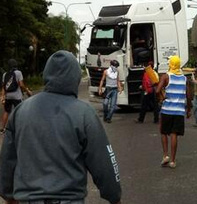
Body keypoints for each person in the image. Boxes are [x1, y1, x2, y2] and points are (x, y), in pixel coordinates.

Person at [0, 50, 122, 204]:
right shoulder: (84, 113)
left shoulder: (20, 111)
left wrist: (7, 194)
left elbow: (7, 159)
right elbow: (103, 161)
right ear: (75, 78)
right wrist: (114, 195)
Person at [155, 55, 192, 168]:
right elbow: (189, 96)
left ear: (170, 64)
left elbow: (157, 90)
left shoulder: (166, 77)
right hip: (179, 111)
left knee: (163, 132)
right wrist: (189, 109)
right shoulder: (184, 78)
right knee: (174, 134)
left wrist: (161, 99)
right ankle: (173, 161)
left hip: (167, 110)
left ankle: (165, 155)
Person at [1, 59, 32, 134]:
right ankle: (20, 127)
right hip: (17, 96)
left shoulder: (5, 74)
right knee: (20, 111)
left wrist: (3, 96)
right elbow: (21, 85)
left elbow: (3, 87)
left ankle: (2, 129)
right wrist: (27, 91)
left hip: (8, 96)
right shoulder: (18, 72)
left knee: (6, 111)